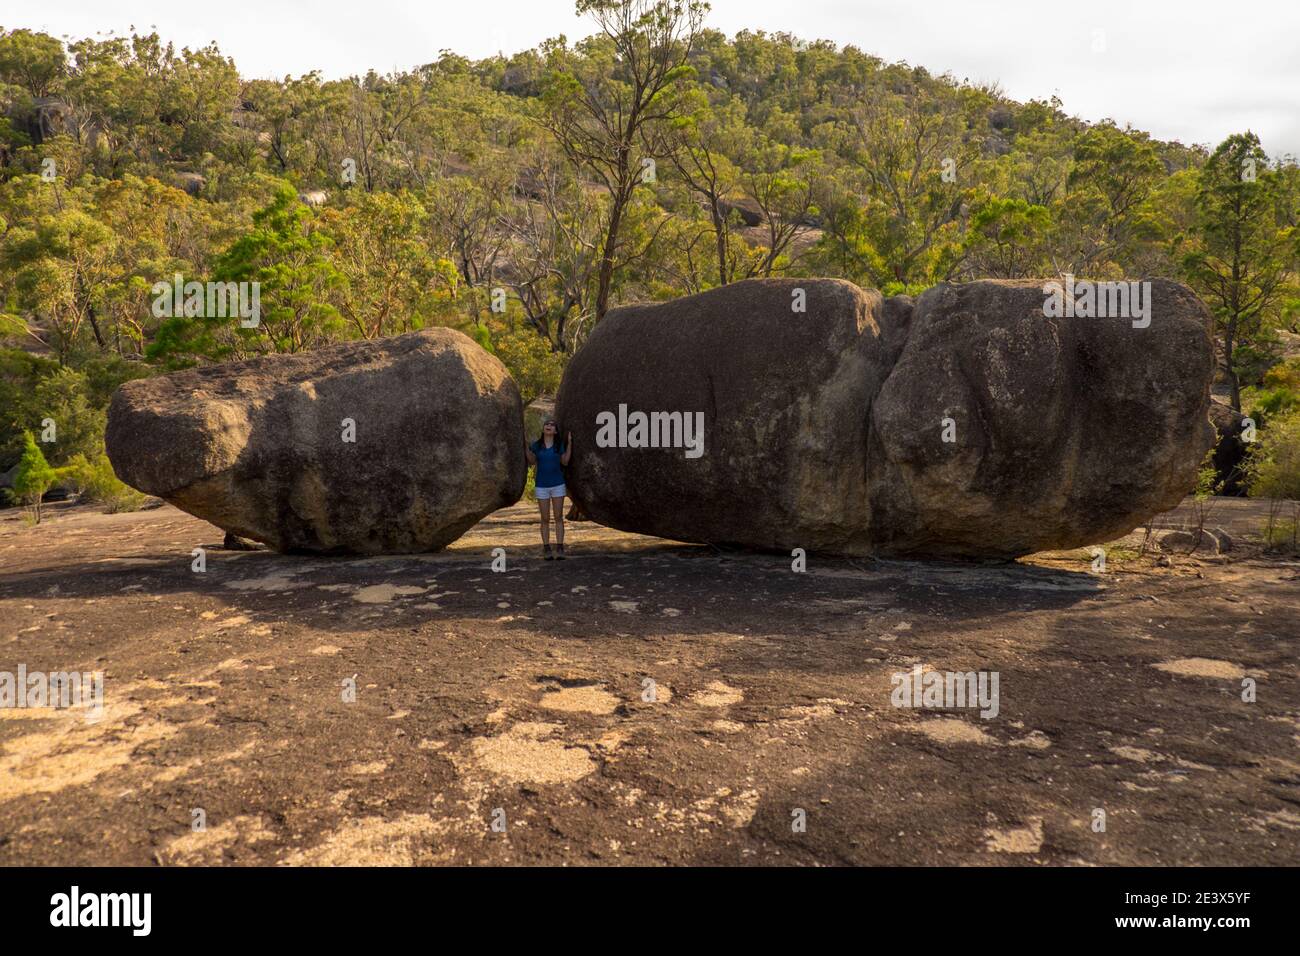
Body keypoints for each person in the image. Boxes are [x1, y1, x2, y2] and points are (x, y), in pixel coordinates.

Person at [525, 420, 572, 560]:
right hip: (541, 486)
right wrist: (525, 444)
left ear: (555, 431)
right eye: (547, 424)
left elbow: (565, 461)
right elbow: (532, 460)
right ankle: (546, 548)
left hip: (558, 485)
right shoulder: (537, 445)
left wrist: (570, 444)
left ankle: (560, 547)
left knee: (558, 517)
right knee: (545, 518)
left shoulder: (559, 446)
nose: (549, 426)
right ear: (543, 429)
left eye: (552, 425)